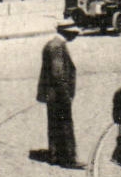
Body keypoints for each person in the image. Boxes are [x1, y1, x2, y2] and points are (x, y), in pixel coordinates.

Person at [33, 20, 84, 168]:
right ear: (66, 32)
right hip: (59, 94)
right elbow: (58, 74)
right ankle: (68, 159)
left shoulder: (54, 44)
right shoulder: (57, 47)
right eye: (74, 33)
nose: (75, 36)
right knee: (65, 125)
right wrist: (66, 95)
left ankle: (56, 155)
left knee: (55, 124)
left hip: (53, 94)